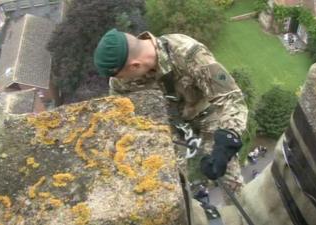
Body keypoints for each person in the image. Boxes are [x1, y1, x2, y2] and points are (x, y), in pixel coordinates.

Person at [93, 29, 248, 194]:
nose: (120, 81)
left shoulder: (188, 53)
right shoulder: (119, 82)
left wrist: (225, 144)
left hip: (207, 114)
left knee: (230, 180)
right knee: (174, 185)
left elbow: (231, 97)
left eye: (122, 76)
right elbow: (120, 114)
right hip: (170, 125)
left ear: (135, 65)